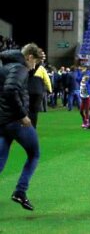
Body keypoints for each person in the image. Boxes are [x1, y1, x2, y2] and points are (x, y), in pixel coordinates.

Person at [0, 43, 44, 210]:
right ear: (29, 57)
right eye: (34, 63)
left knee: (0, 161)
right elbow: (11, 90)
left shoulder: (6, 66)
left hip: (2, 121)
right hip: (15, 121)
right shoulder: (20, 68)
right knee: (34, 154)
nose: (33, 67)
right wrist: (22, 115)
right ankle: (20, 191)